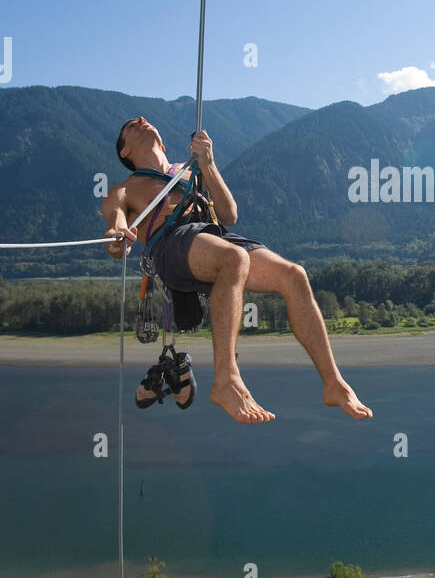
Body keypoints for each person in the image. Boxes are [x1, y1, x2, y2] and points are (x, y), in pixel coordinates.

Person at [101, 117, 372, 424]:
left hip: (214, 236)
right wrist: (117, 240)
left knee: (294, 275)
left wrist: (209, 164)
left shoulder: (190, 169)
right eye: (129, 127)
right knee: (234, 259)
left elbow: (229, 214)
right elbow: (115, 232)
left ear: (162, 143)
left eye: (143, 120)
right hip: (170, 244)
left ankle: (334, 383)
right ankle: (226, 380)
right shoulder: (124, 189)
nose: (140, 121)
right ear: (125, 152)